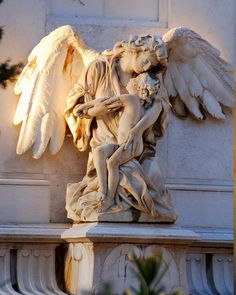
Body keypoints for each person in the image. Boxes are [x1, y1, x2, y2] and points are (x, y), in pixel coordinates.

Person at [64, 35, 178, 222]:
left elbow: (158, 106)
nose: (149, 67)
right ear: (137, 49)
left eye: (153, 65)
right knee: (107, 161)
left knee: (155, 194)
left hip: (135, 145)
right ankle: (106, 195)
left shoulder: (149, 78)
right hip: (104, 139)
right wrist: (90, 110)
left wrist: (138, 130)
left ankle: (111, 198)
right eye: (147, 60)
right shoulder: (99, 68)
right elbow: (78, 107)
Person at [72, 72, 162, 212]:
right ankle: (103, 189)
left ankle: (108, 198)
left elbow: (104, 102)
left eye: (134, 80)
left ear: (139, 86)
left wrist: (84, 107)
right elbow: (105, 102)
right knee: (99, 152)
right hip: (123, 144)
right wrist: (83, 107)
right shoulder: (137, 102)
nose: (130, 81)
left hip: (131, 145)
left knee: (112, 163)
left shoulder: (131, 99)